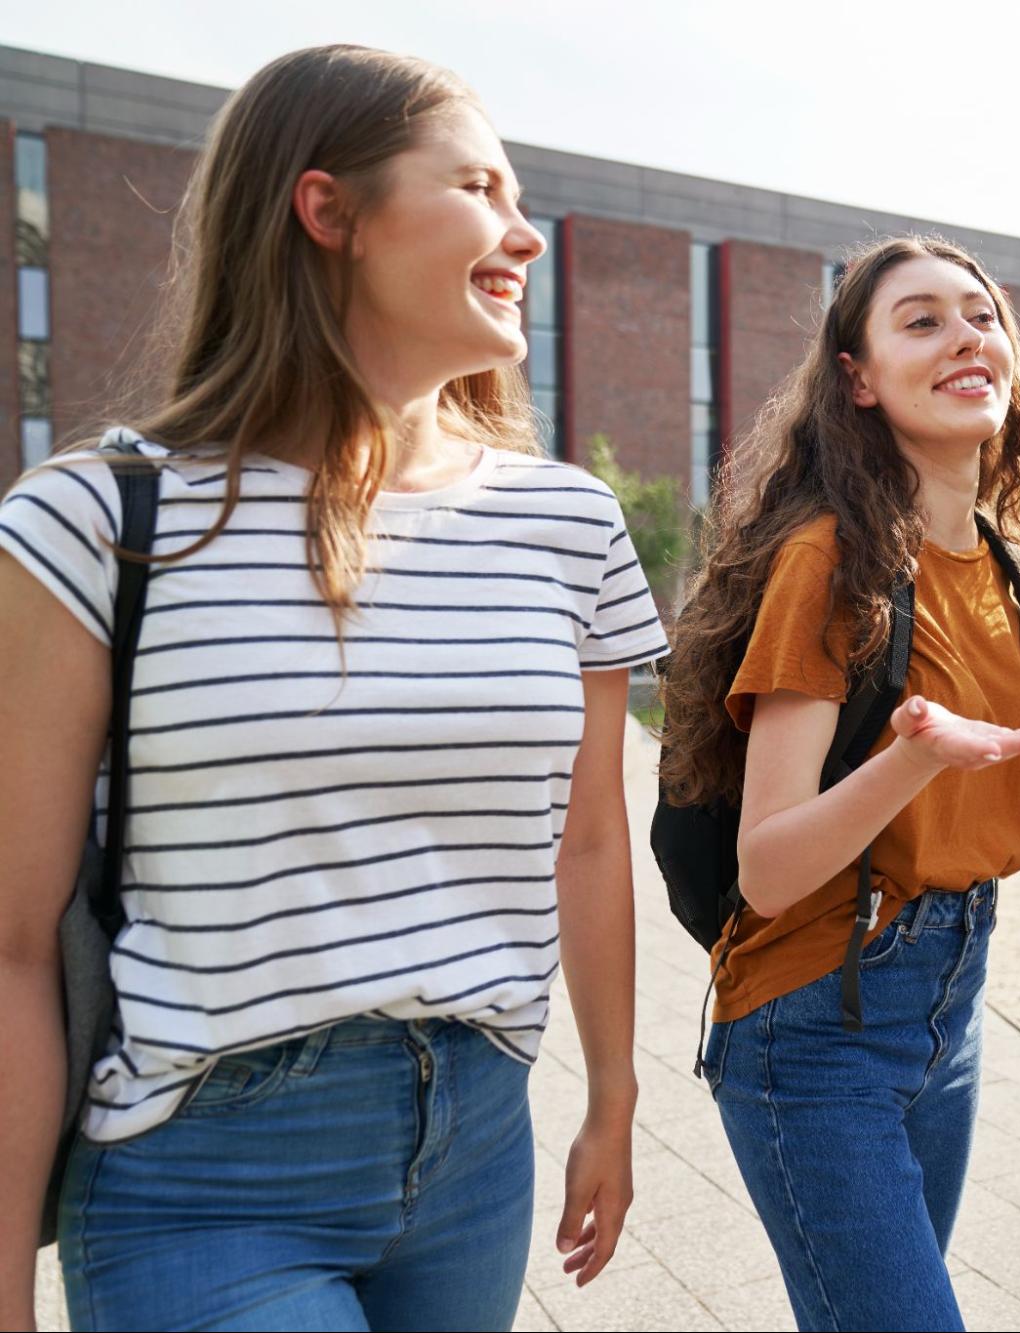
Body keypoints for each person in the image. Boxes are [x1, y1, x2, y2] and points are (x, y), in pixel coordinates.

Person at [0, 45, 664, 1330]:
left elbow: (588, 836)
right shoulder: (96, 520)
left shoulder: (567, 522)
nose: (523, 234)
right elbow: (15, 942)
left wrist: (615, 1097)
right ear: (328, 212)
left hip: (475, 1148)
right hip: (203, 1173)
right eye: (478, 187)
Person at [656, 235, 1020, 1332]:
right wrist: (913, 756)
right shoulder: (829, 560)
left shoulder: (1002, 564)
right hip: (817, 1017)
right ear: (857, 378)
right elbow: (768, 862)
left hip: (949, 996)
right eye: (921, 321)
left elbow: (980, 763)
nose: (965, 337)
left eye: (979, 314)